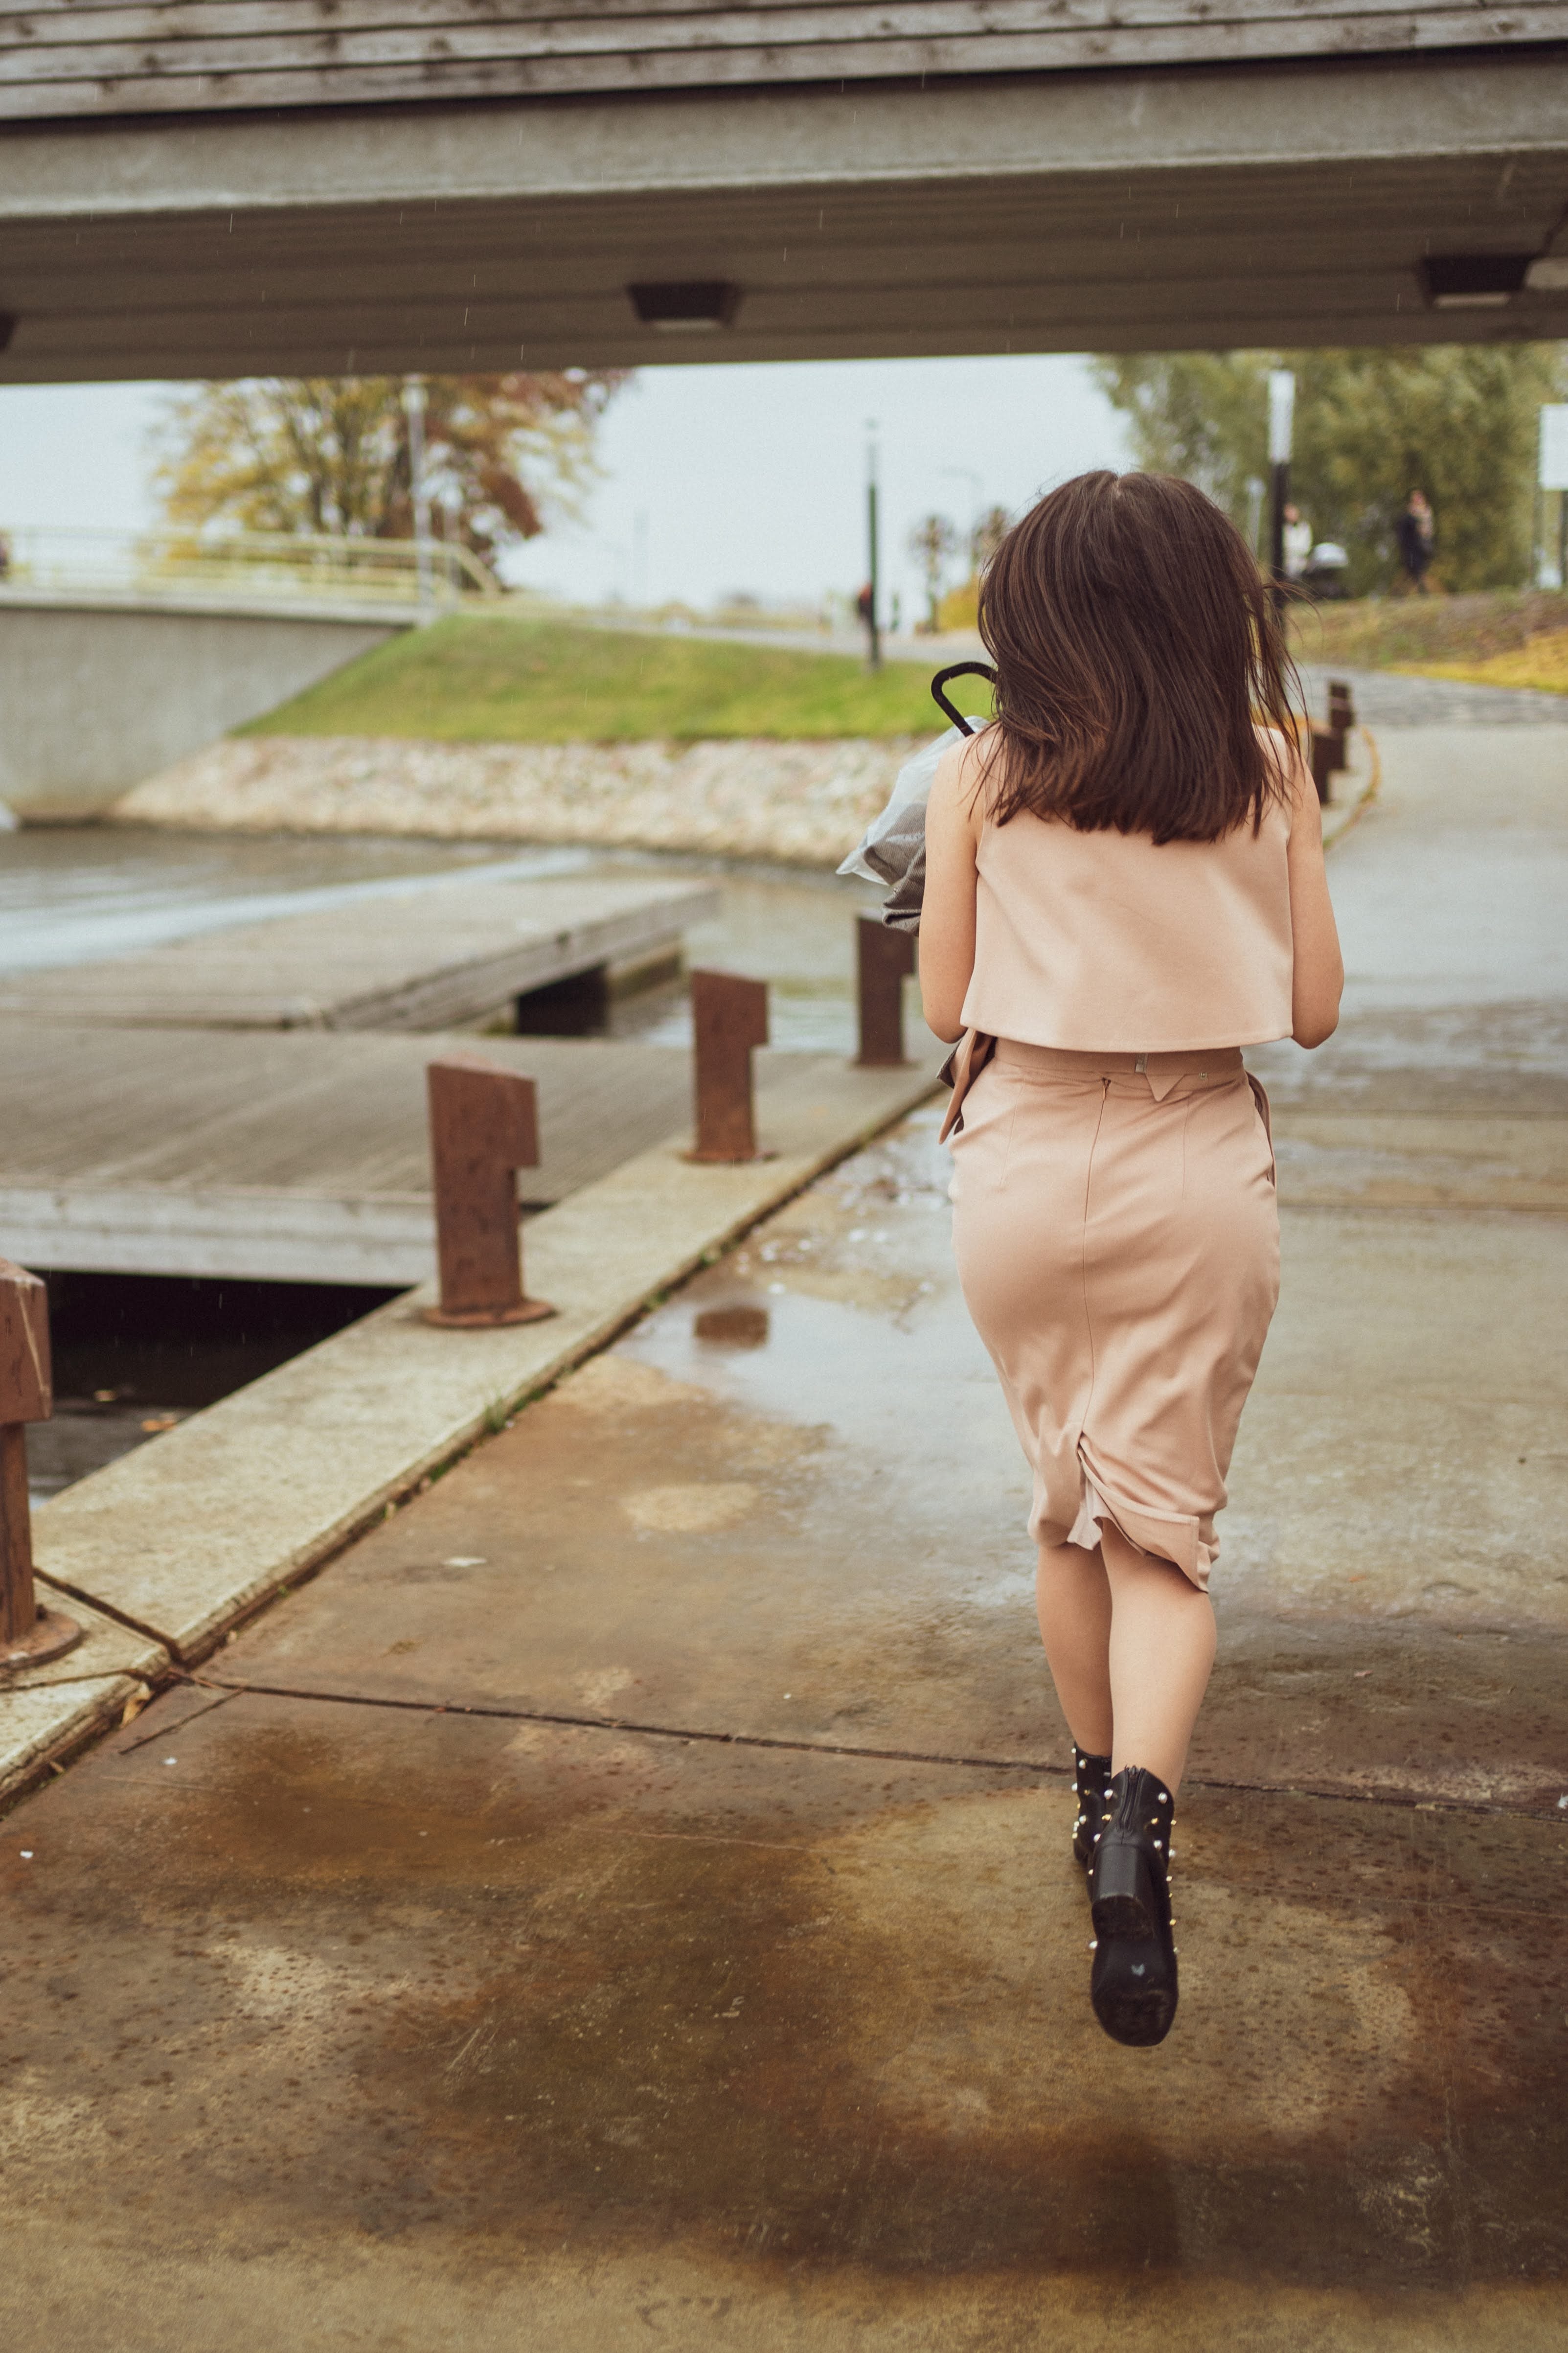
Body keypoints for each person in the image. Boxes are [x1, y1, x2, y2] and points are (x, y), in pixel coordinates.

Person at [920, 471, 1342, 2050]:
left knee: (1064, 1502)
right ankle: (1137, 1832)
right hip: (1193, 1165)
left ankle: (1094, 1788)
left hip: (1023, 1159)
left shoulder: (983, 773)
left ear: (1035, 615)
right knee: (1163, 1541)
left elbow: (942, 999)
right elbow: (1307, 1007)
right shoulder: (1264, 768)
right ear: (1202, 610)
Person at [1395, 489, 1434, 593]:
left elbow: (1427, 528)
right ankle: (1422, 591)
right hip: (1415, 545)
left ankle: (1400, 592)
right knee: (1415, 569)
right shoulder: (1411, 514)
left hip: (1422, 542)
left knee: (1415, 569)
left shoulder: (1425, 511)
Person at [1281, 501, 1314, 580]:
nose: (1291, 515)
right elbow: (1286, 547)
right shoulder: (1284, 529)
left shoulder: (1305, 528)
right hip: (1287, 568)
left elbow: (1306, 547)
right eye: (1289, 512)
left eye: (1293, 512)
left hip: (1302, 568)